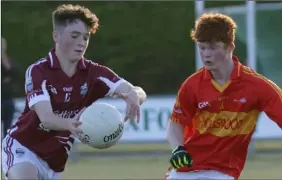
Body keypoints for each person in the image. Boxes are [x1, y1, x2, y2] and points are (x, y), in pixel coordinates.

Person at [1, 4, 147, 180]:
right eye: (75, 36)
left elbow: (135, 90)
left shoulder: (94, 73)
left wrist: (134, 95)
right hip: (23, 147)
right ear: (56, 36)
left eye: (86, 37)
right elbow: (46, 118)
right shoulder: (39, 71)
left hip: (55, 162)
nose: (81, 43)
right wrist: (71, 124)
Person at [165, 13, 282, 180]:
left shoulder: (258, 86)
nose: (206, 54)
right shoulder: (192, 85)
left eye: (213, 47)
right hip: (185, 170)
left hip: (223, 173)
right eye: (202, 47)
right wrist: (178, 148)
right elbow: (175, 124)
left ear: (229, 47)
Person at [1, 37, 17, 138]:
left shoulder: (8, 60)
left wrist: (2, 53)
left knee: (7, 129)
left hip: (7, 100)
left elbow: (13, 73)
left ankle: (5, 148)